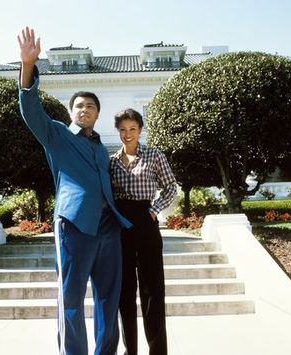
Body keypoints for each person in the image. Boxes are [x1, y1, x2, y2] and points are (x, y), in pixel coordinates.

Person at [18, 27, 131, 355]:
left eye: (91, 107)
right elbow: (30, 109)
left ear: (97, 114)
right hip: (74, 225)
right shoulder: (56, 135)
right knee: (70, 300)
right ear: (71, 112)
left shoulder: (100, 148)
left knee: (109, 298)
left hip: (109, 228)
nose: (84, 110)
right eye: (79, 106)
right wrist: (28, 66)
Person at [110, 108, 177, 355]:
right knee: (124, 293)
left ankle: (157, 351)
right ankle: (131, 351)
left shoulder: (153, 155)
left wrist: (154, 209)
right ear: (118, 132)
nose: (128, 134)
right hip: (121, 227)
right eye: (123, 130)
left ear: (140, 130)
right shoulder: (112, 161)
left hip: (146, 222)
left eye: (133, 129)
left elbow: (171, 187)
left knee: (152, 291)